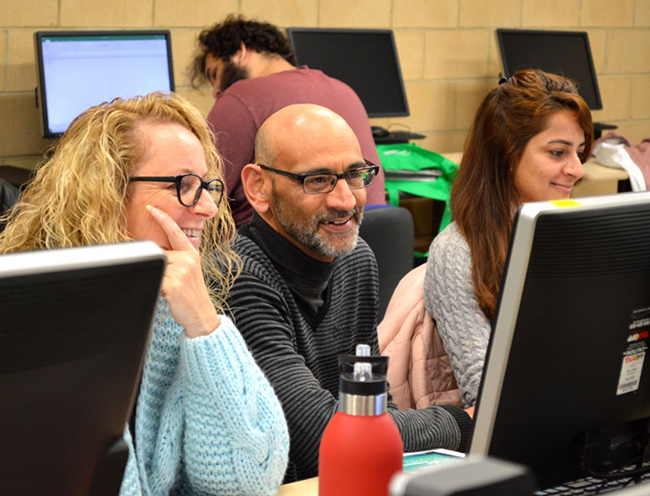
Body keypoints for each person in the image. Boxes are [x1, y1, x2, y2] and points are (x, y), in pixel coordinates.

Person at [0, 92, 289, 495]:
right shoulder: (37, 325)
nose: (207, 207)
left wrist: (205, 325)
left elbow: (250, 480)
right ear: (108, 192)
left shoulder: (172, 311)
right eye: (184, 185)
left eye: (207, 186)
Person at [227, 103, 472, 483]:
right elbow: (319, 438)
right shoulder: (238, 277)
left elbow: (374, 406)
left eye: (355, 175)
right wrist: (462, 421)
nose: (345, 201)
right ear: (258, 187)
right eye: (318, 180)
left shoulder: (355, 258)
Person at [424, 69, 594, 408]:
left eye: (579, 151)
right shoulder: (458, 250)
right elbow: (484, 391)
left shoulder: (576, 232)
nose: (577, 169)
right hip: (521, 431)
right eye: (558, 152)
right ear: (506, 152)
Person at [190, 14, 386, 227]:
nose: (216, 91)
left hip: (277, 251)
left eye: (215, 73)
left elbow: (202, 194)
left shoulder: (239, 97)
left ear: (240, 52)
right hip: (363, 239)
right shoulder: (344, 89)